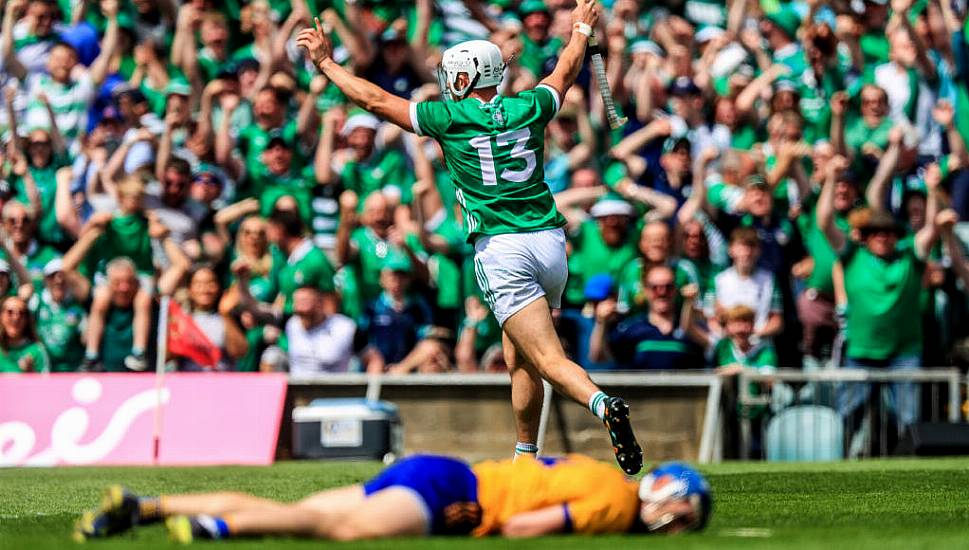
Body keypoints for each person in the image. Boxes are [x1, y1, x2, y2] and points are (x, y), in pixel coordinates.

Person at [295, 0, 644, 474]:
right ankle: (525, 456)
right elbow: (566, 67)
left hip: (502, 248)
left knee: (546, 356)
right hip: (548, 243)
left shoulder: (449, 118)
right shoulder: (530, 104)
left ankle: (603, 405)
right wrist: (582, 26)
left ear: (465, 79)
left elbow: (374, 101)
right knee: (516, 351)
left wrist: (326, 63)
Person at [74, 454, 711, 542]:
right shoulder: (620, 506)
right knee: (335, 527)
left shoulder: (601, 473)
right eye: (687, 510)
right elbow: (525, 529)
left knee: (320, 510)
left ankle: (149, 505)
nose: (682, 524)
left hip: (445, 470)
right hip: (456, 493)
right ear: (665, 493)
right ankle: (221, 530)